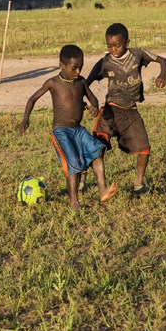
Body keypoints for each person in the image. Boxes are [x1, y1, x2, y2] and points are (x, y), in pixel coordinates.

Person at [19, 45, 118, 210]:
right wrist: (25, 120)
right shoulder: (53, 83)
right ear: (61, 65)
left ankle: (103, 191)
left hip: (78, 129)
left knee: (96, 152)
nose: (78, 71)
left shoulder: (81, 81)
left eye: (81, 67)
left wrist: (94, 106)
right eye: (74, 68)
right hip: (61, 131)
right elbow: (32, 99)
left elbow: (93, 99)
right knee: (73, 164)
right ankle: (74, 202)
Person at [87, 23, 166, 195]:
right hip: (111, 111)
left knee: (144, 149)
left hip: (131, 112)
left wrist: (162, 74)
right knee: (96, 147)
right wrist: (90, 103)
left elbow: (163, 60)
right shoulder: (105, 62)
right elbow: (86, 83)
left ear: (127, 42)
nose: (114, 49)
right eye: (109, 46)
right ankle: (89, 179)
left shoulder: (137, 54)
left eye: (117, 45)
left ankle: (138, 185)